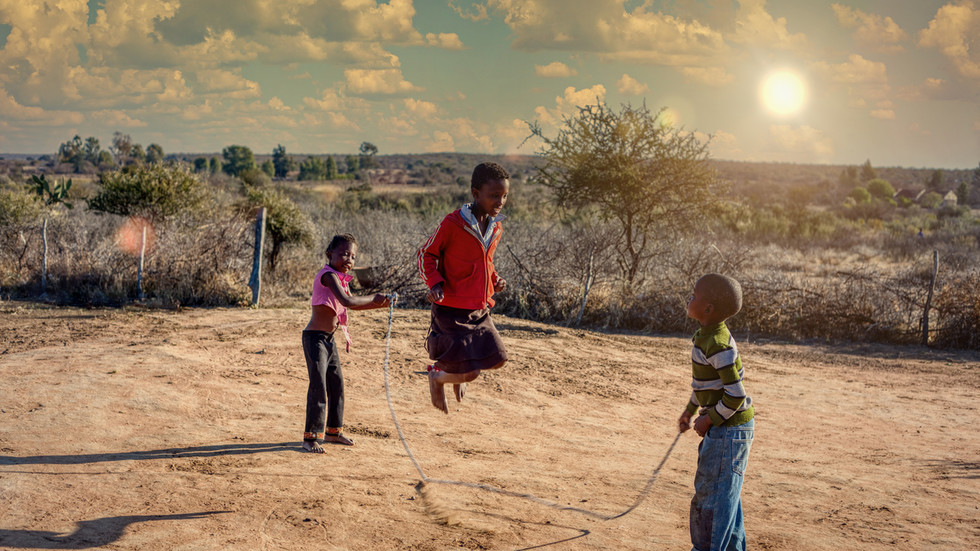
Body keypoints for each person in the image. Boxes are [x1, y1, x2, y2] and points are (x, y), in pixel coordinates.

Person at [416, 162, 510, 414]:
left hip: (479, 309)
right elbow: (426, 254)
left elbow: (485, 264)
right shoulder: (453, 223)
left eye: (504, 196)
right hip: (451, 309)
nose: (500, 201)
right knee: (470, 372)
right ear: (475, 193)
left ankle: (454, 378)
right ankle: (438, 379)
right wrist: (434, 282)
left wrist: (495, 279)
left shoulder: (496, 226)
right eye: (494, 196)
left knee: (498, 358)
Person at [678, 273, 756, 551]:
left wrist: (709, 418)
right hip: (728, 428)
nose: (690, 298)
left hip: (729, 430)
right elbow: (707, 385)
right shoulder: (705, 336)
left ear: (708, 308)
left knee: (713, 497)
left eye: (695, 295)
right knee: (726, 498)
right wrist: (690, 410)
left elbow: (736, 394)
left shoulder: (718, 345)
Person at [302, 233, 390, 452]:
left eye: (352, 256)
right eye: (343, 254)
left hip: (329, 340)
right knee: (319, 386)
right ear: (329, 254)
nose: (348, 260)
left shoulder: (340, 279)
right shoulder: (328, 276)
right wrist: (374, 297)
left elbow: (354, 304)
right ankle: (310, 437)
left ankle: (333, 432)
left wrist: (382, 303)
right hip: (315, 339)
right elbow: (347, 301)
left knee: (336, 385)